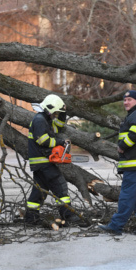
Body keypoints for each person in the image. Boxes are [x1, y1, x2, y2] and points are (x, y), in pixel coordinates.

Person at [98, 90, 136, 236]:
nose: (126, 102)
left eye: (129, 99)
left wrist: (122, 146)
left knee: (127, 197)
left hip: (135, 165)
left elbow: (135, 133)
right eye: (124, 100)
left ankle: (116, 226)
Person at [24, 94, 82, 226]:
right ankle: (68, 215)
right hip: (42, 161)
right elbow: (42, 140)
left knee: (39, 191)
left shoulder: (46, 120)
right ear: (49, 109)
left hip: (41, 162)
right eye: (55, 112)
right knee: (60, 186)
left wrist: (63, 112)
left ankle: (30, 217)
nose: (56, 115)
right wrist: (61, 142)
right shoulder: (39, 120)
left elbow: (59, 126)